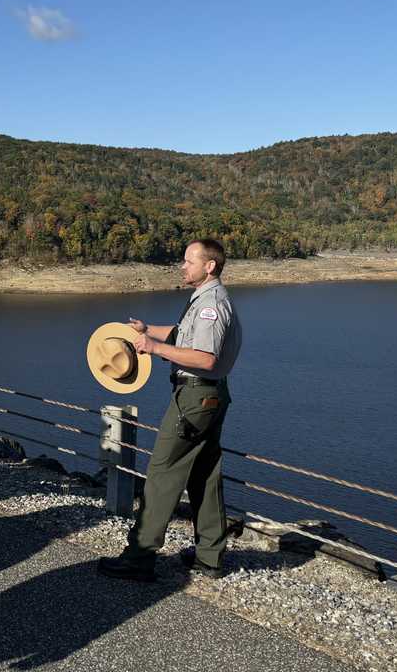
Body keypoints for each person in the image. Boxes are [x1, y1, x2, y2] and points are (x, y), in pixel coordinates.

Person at [97, 238, 242, 582]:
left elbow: (205, 357)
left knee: (161, 476)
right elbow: (183, 336)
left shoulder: (211, 305)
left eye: (189, 261)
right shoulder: (207, 299)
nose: (182, 266)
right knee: (204, 474)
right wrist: (148, 333)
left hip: (193, 398)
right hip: (209, 397)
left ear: (209, 266)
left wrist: (154, 347)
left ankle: (138, 558)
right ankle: (210, 557)